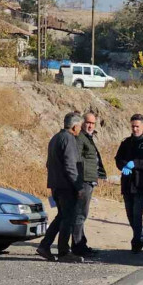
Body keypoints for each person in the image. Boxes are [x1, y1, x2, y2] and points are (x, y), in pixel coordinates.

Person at [37, 112, 86, 263]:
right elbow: (70, 166)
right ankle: (64, 252)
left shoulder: (55, 138)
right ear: (74, 126)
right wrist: (78, 186)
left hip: (56, 185)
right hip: (66, 186)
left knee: (61, 217)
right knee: (68, 218)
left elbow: (48, 164)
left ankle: (45, 246)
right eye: (80, 126)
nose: (80, 129)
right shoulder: (69, 139)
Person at [115, 114, 143, 254]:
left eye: (137, 126)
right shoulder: (126, 142)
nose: (135, 129)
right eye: (133, 126)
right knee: (130, 214)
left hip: (141, 183)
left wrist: (136, 163)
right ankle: (140, 236)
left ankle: (136, 241)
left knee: (137, 213)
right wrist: (124, 166)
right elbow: (118, 159)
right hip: (127, 183)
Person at [73, 111, 107, 256]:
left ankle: (81, 244)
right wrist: (79, 182)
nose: (90, 125)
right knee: (80, 214)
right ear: (82, 123)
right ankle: (77, 247)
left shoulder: (88, 137)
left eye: (93, 123)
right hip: (84, 181)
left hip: (89, 180)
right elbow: (77, 160)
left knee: (82, 214)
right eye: (88, 122)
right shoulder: (80, 138)